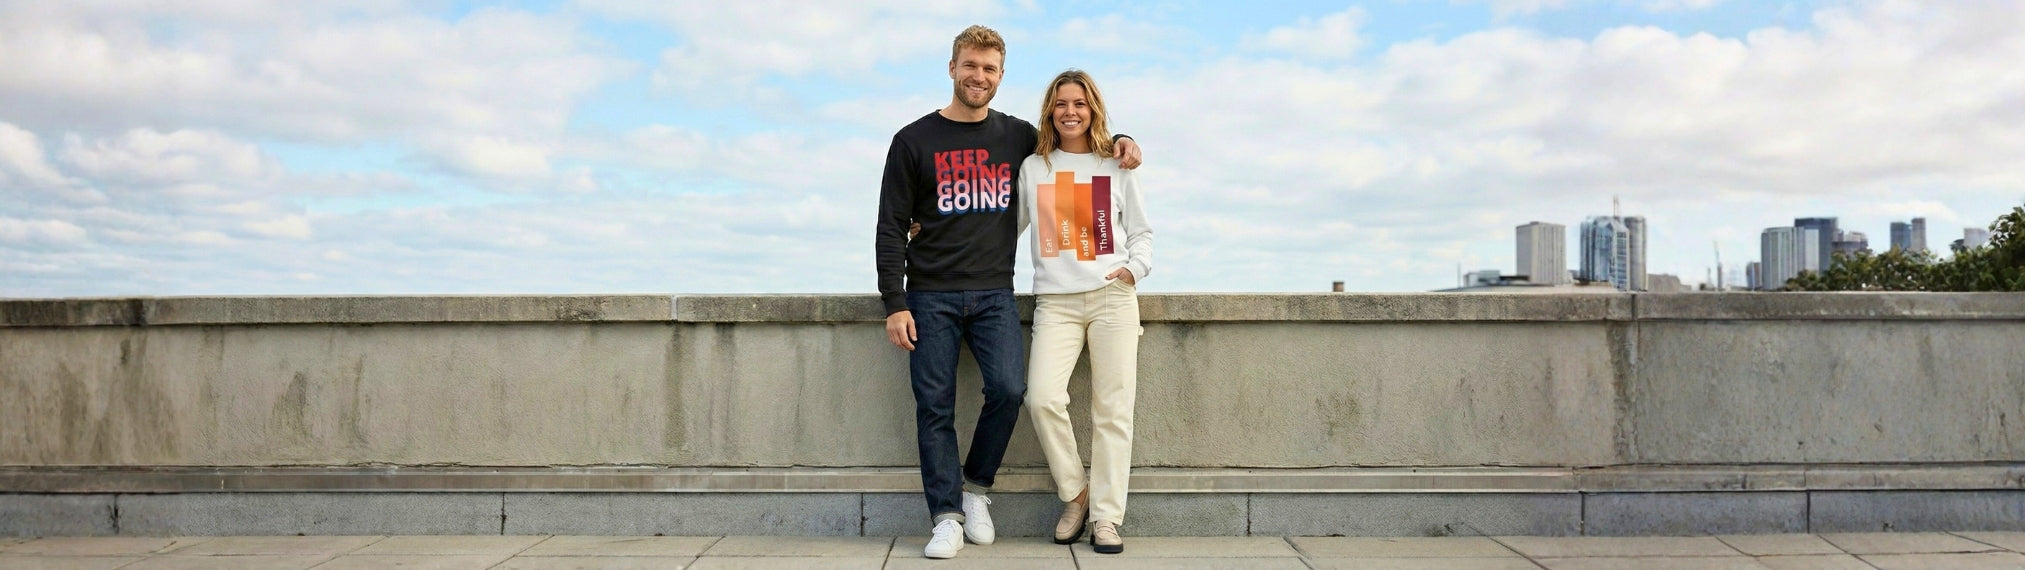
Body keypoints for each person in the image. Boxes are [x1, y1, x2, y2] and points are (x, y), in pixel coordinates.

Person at [874, 26, 1141, 560]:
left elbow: (1073, 139)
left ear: (1001, 75)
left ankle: (977, 489)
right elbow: (889, 225)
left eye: (990, 69)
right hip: (930, 295)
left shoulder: (1017, 137)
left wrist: (1123, 140)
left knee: (1010, 390)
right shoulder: (912, 141)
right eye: (970, 66)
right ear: (952, 68)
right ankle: (946, 515)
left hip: (996, 292)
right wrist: (895, 302)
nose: (979, 77)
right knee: (934, 406)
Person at [1017, 69, 1152, 555]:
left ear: (1093, 108)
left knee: (1113, 412)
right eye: (1060, 104)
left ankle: (1106, 519)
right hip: (1055, 302)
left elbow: (1142, 233)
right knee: (1042, 398)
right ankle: (1076, 493)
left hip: (1113, 299)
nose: (1070, 111)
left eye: (1079, 103)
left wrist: (1134, 270)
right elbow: (1003, 228)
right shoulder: (1035, 167)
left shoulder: (1116, 164)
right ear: (1049, 111)